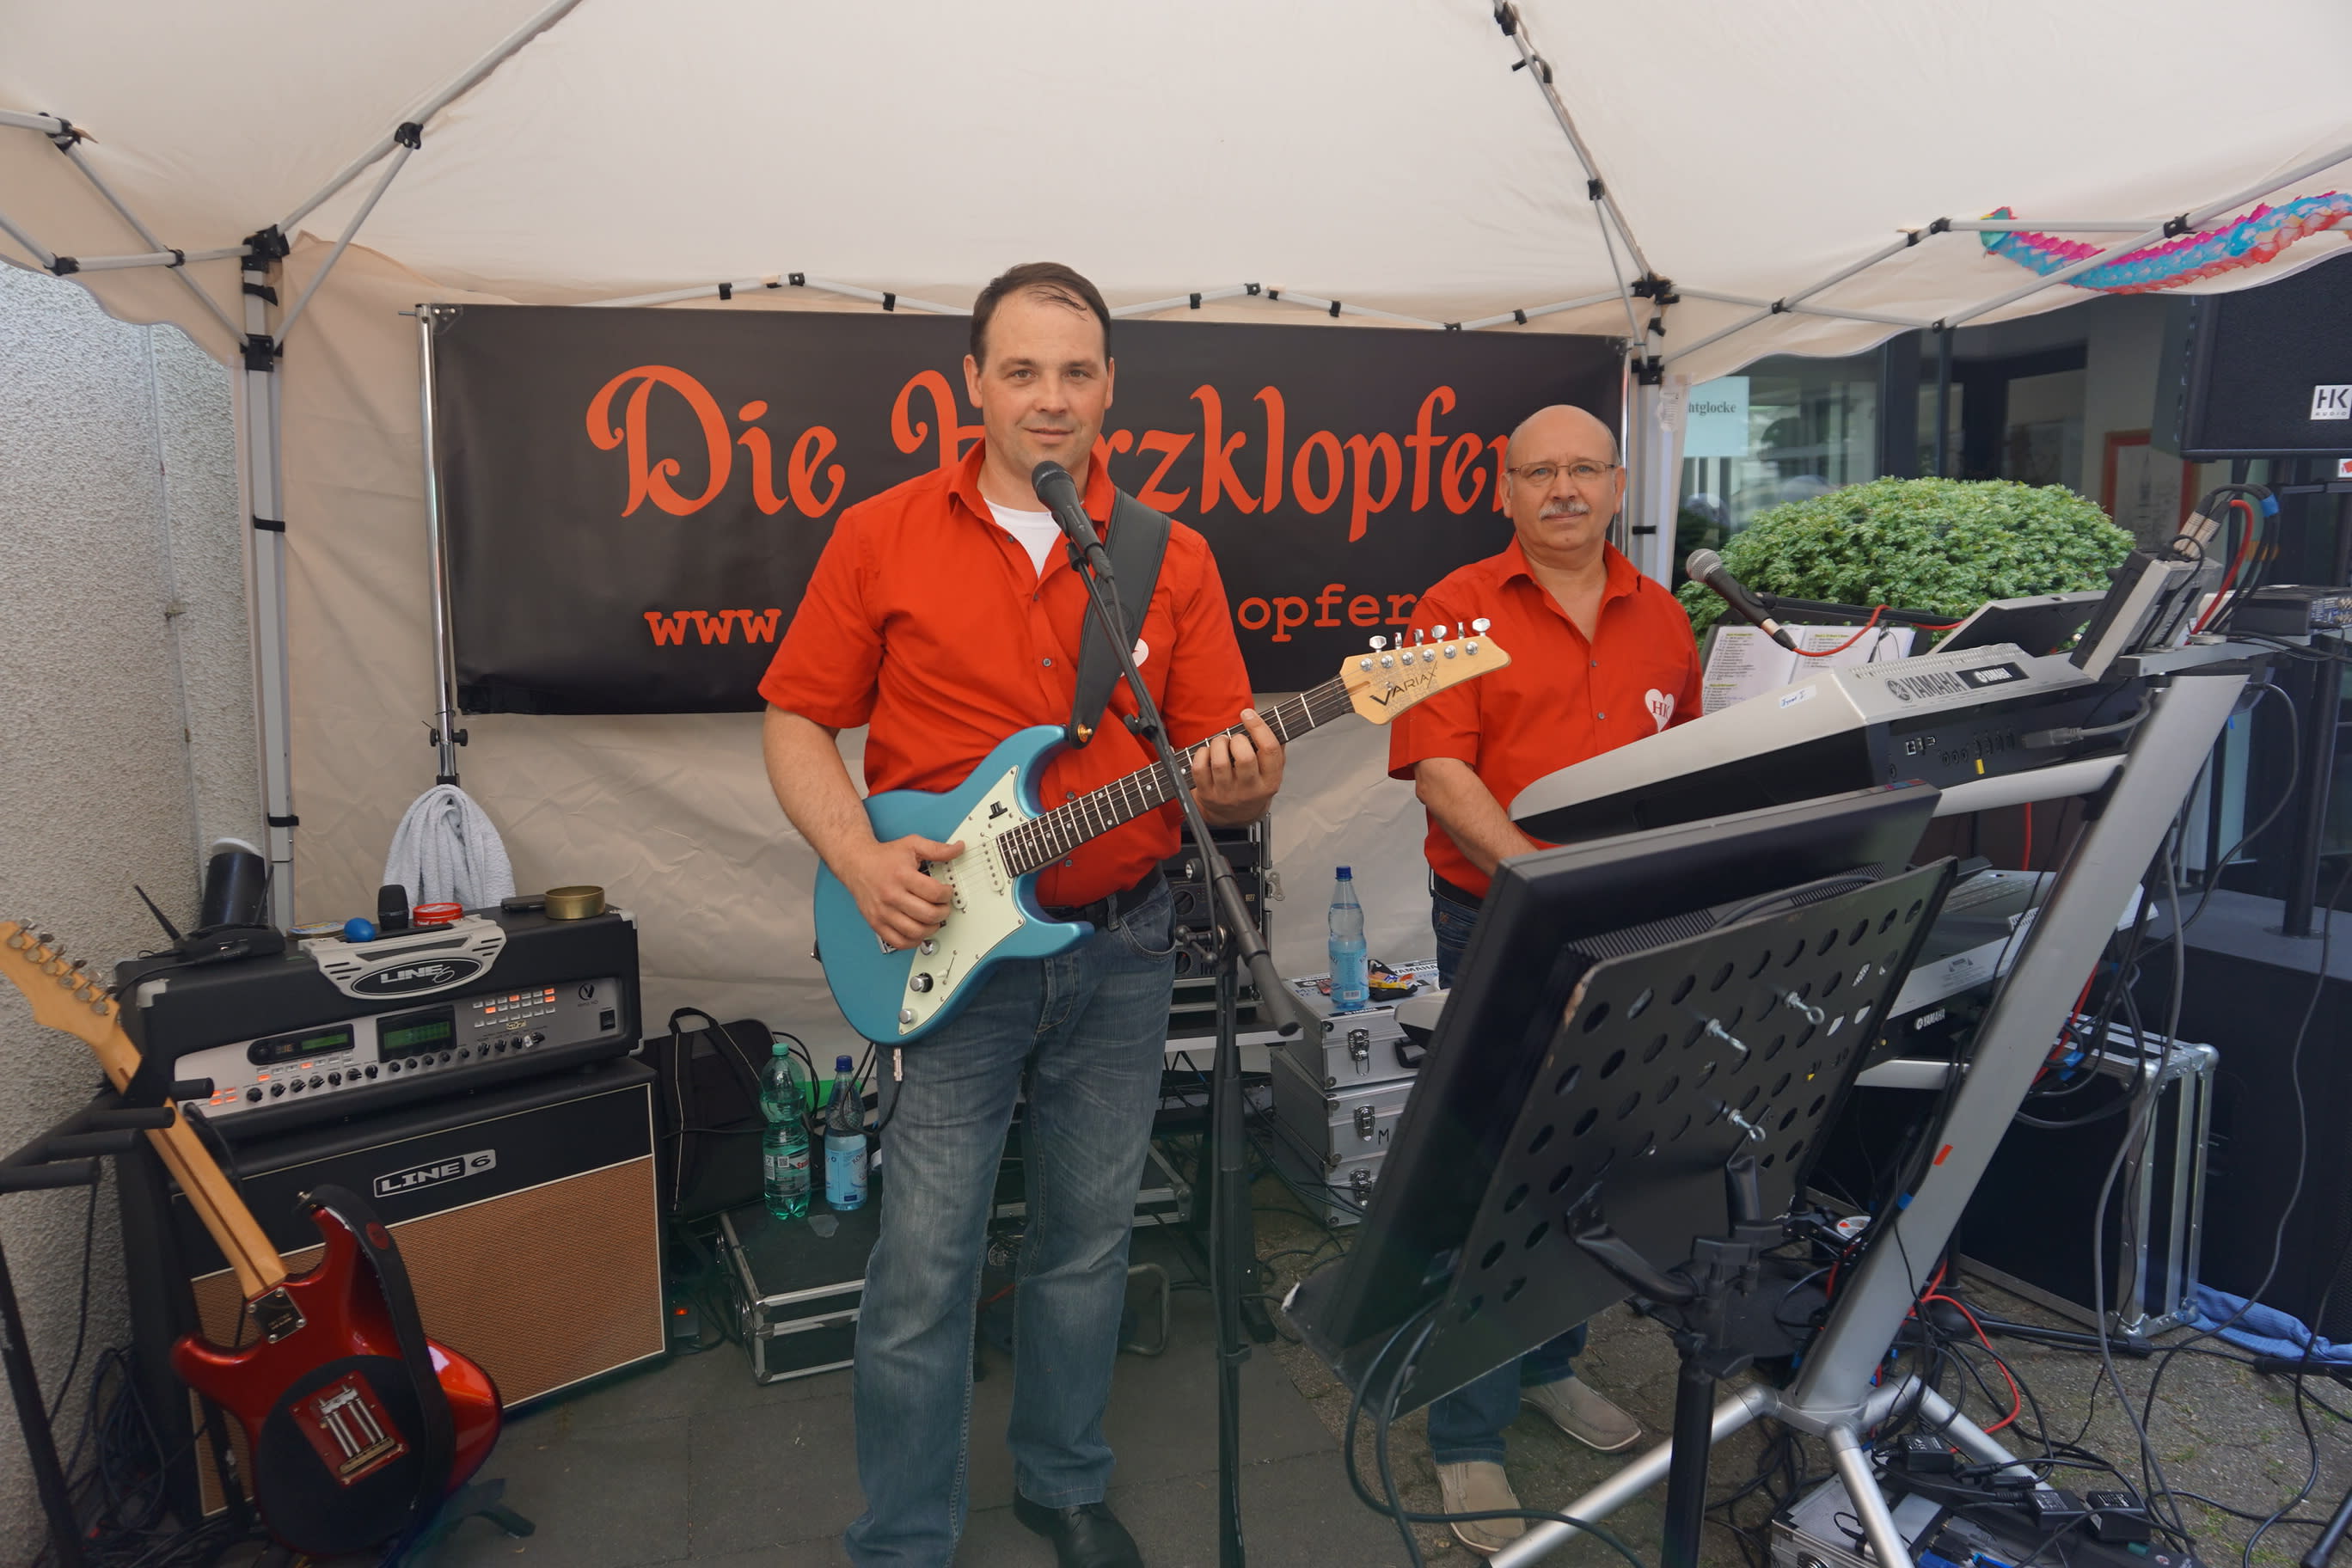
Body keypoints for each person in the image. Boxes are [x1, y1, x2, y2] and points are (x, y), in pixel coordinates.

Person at [759, 261, 1284, 1568]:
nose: (1051, 397)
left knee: (1088, 1240)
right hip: (950, 948)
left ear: (1110, 389)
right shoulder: (882, 533)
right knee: (924, 1262)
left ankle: (1062, 1481)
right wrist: (859, 861)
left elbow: (1223, 757)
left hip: (1126, 944)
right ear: (973, 384)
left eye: (1076, 372)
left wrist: (1247, 777)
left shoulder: (1170, 556)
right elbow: (796, 720)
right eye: (1023, 370)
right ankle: (903, 1535)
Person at [1386, 403, 1703, 1555]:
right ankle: (1466, 1430)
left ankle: (1549, 1363)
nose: (1563, 490)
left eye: (1583, 470)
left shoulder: (1665, 615)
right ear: (1503, 489)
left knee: (1597, 1164)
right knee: (1493, 1177)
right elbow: (1439, 772)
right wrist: (1548, 887)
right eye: (1539, 472)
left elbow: (1690, 771)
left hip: (1635, 932)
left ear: (1618, 485)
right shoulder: (1448, 609)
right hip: (1501, 925)